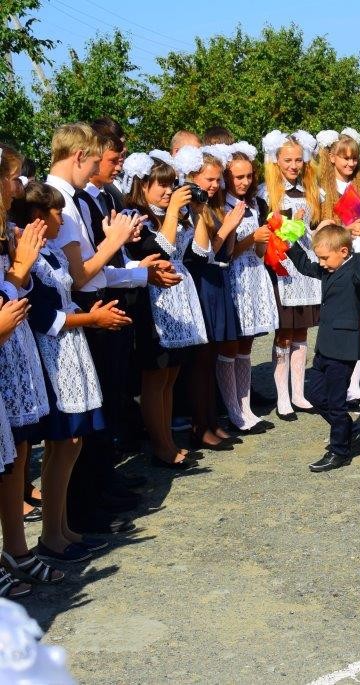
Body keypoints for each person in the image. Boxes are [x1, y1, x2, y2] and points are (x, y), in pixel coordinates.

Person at [14, 181, 130, 563]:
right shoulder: (26, 256)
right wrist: (90, 319)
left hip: (70, 347)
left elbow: (65, 295)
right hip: (52, 351)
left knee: (73, 442)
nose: (61, 219)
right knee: (62, 442)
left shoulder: (50, 251)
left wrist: (89, 315)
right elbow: (40, 315)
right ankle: (51, 535)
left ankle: (62, 528)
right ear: (37, 216)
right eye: (56, 213)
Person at [46, 123, 148, 535]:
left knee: (101, 407)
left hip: (93, 302)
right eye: (93, 162)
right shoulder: (61, 202)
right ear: (79, 157)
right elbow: (81, 275)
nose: (95, 171)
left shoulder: (75, 198)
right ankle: (83, 510)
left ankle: (96, 496)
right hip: (81, 310)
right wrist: (115, 241)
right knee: (84, 420)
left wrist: (137, 270)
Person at [122, 152, 205, 469]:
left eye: (172, 185)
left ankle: (168, 439)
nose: (169, 191)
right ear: (143, 186)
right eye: (162, 185)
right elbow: (161, 250)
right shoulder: (136, 217)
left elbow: (199, 252)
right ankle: (159, 446)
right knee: (155, 377)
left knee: (171, 375)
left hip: (178, 297)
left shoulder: (174, 215)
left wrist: (195, 213)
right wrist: (172, 213)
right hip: (151, 302)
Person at [0, 147, 58, 595]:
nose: (17, 187)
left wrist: (21, 265)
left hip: (11, 339)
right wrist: (19, 269)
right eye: (11, 177)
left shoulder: (5, 227)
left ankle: (16, 549)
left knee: (16, 450)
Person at [284, 223, 360, 472]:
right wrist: (289, 243)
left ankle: (339, 451)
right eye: (320, 258)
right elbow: (304, 266)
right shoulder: (328, 270)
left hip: (343, 350)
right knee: (315, 394)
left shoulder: (355, 270)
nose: (321, 263)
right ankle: (351, 430)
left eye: (325, 258)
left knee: (336, 402)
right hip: (325, 346)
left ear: (343, 252)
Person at [178, 146, 245, 450]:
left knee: (212, 356)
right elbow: (200, 253)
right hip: (198, 283)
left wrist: (231, 229)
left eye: (218, 180)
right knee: (200, 360)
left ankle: (211, 420)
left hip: (216, 281)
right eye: (209, 179)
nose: (215, 185)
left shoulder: (211, 206)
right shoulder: (188, 209)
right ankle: (199, 426)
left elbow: (224, 254)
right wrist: (227, 227)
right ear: (192, 177)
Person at [316, 127, 360, 407]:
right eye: (345, 158)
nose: (350, 163)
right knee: (340, 321)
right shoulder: (323, 189)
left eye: (354, 158)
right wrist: (347, 227)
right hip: (339, 262)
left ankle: (355, 386)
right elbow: (320, 228)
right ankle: (337, 384)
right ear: (332, 157)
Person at [259, 130, 321, 420]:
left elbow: (315, 227)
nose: (294, 165)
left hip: (305, 268)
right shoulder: (267, 194)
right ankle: (282, 397)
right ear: (276, 161)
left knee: (302, 330)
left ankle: (298, 393)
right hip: (282, 267)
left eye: (298, 160)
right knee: (284, 333)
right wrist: (293, 226)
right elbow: (273, 234)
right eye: (288, 160)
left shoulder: (312, 191)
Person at [222, 142, 276, 433]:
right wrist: (251, 238)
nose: (244, 182)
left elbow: (259, 252)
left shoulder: (255, 205)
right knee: (231, 345)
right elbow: (226, 253)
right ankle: (232, 410)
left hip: (254, 274)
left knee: (247, 344)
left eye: (248, 176)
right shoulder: (223, 205)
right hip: (234, 277)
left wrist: (263, 240)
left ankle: (245, 406)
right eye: (238, 177)